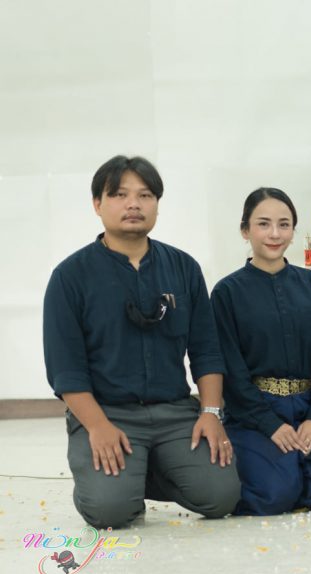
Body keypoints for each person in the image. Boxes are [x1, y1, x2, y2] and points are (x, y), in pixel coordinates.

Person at [43, 155, 240, 529]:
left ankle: (143, 468)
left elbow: (206, 351)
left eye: (145, 195)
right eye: (119, 195)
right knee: (109, 512)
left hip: (174, 411)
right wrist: (97, 427)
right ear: (97, 204)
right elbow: (66, 371)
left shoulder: (183, 268)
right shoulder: (70, 276)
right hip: (107, 412)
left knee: (220, 497)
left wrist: (211, 413)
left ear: (157, 204)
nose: (133, 204)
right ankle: (111, 482)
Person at [211, 188, 311, 515]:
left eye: (284, 224)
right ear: (245, 231)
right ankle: (275, 467)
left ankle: (294, 468)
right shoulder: (227, 293)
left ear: (293, 231)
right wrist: (269, 424)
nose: (275, 234)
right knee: (274, 497)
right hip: (256, 410)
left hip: (308, 406)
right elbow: (230, 369)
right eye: (263, 224)